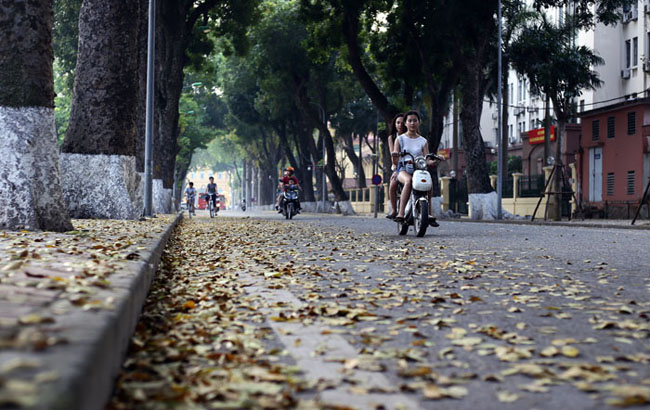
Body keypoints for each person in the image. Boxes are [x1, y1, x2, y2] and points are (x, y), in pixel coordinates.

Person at [392, 110, 441, 226]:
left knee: (430, 184)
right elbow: (395, 159)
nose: (412, 123)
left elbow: (427, 159)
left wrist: (436, 160)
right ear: (405, 123)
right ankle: (401, 213)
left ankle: (428, 213)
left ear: (419, 122)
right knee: (408, 181)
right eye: (410, 121)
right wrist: (395, 155)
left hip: (419, 170)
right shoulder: (400, 139)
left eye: (415, 120)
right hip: (403, 169)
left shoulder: (423, 141)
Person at [385, 113, 404, 219]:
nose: (400, 125)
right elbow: (393, 154)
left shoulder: (411, 135)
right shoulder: (392, 137)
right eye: (398, 122)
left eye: (402, 122)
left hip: (412, 164)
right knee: (392, 185)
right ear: (394, 124)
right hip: (398, 165)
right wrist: (396, 169)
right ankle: (394, 210)